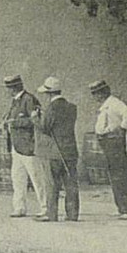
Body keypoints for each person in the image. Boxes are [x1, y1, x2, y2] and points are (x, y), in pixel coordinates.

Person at [2, 73, 54, 218]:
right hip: (17, 146)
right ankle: (19, 207)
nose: (6, 91)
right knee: (18, 178)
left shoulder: (29, 100)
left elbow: (36, 121)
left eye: (8, 88)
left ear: (13, 88)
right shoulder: (15, 101)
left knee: (38, 178)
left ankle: (45, 207)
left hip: (29, 146)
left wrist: (13, 123)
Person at [90, 79, 127, 218]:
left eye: (96, 93)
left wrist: (121, 128)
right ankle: (122, 208)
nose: (95, 97)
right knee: (115, 176)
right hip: (109, 143)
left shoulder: (114, 103)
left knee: (121, 176)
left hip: (117, 144)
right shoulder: (106, 105)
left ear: (103, 93)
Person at [36, 76, 80, 221]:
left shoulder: (51, 108)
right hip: (70, 150)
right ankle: (73, 215)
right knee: (71, 184)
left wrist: (35, 119)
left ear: (49, 94)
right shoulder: (72, 107)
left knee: (52, 184)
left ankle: (52, 214)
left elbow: (45, 128)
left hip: (55, 152)